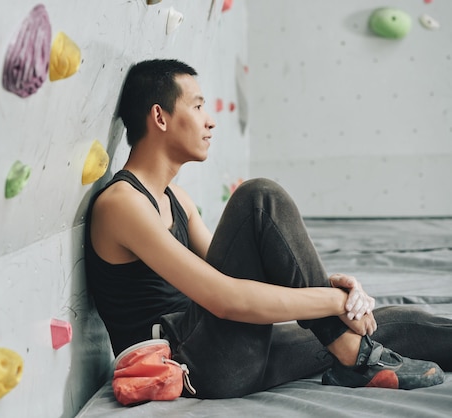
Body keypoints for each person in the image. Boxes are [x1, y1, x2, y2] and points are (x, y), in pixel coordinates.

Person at [84, 59, 451, 398]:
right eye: (197, 107)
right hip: (188, 363)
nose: (210, 120)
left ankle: (353, 352)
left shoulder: (176, 198)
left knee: (392, 325)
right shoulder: (122, 204)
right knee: (260, 198)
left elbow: (248, 279)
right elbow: (225, 299)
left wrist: (334, 293)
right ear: (160, 118)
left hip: (231, 351)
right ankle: (352, 354)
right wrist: (333, 301)